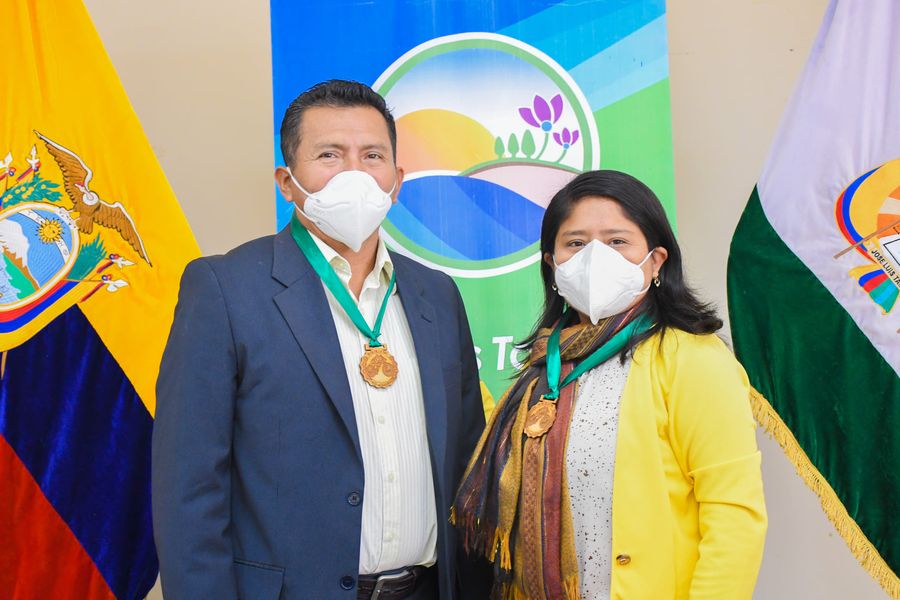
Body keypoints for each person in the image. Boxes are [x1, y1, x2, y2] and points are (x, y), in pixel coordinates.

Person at [153, 80, 489, 600]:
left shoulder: (436, 294)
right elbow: (189, 487)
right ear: (287, 182)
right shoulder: (224, 289)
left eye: (372, 156)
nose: (355, 173)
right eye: (329, 155)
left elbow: (467, 463)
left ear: (396, 181)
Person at [452, 170, 767, 599]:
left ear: (656, 261)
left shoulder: (693, 359)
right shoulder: (542, 366)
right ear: (552, 264)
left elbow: (734, 515)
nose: (595, 257)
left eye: (617, 241)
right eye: (575, 243)